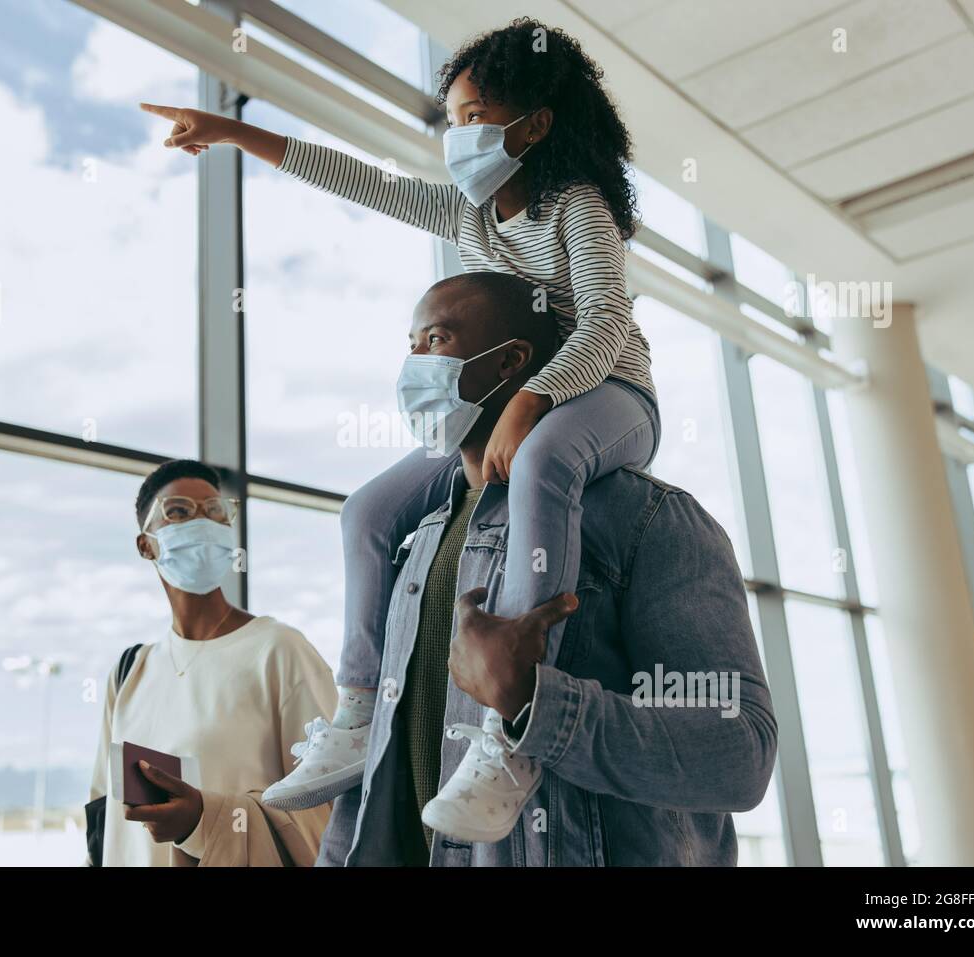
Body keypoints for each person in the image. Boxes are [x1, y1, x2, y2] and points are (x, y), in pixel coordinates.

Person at [139, 18, 659, 840]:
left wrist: (529, 402)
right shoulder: (471, 216)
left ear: (534, 124)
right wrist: (234, 131)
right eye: (451, 118)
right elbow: (357, 180)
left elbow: (601, 324)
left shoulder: (577, 209)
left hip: (612, 396)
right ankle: (353, 713)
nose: (459, 134)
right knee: (370, 510)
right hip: (521, 406)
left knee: (544, 462)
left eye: (475, 115)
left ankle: (511, 731)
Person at [314, 271, 776, 864]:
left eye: (436, 340)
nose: (412, 367)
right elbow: (382, 770)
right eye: (410, 345)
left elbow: (740, 756)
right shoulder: (414, 537)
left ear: (511, 361)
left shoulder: (648, 522)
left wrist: (535, 702)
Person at [85, 459, 336, 866]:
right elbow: (102, 820)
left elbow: (329, 809)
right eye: (180, 512)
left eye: (215, 511)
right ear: (145, 545)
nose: (203, 523)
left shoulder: (278, 651)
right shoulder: (131, 670)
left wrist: (205, 820)